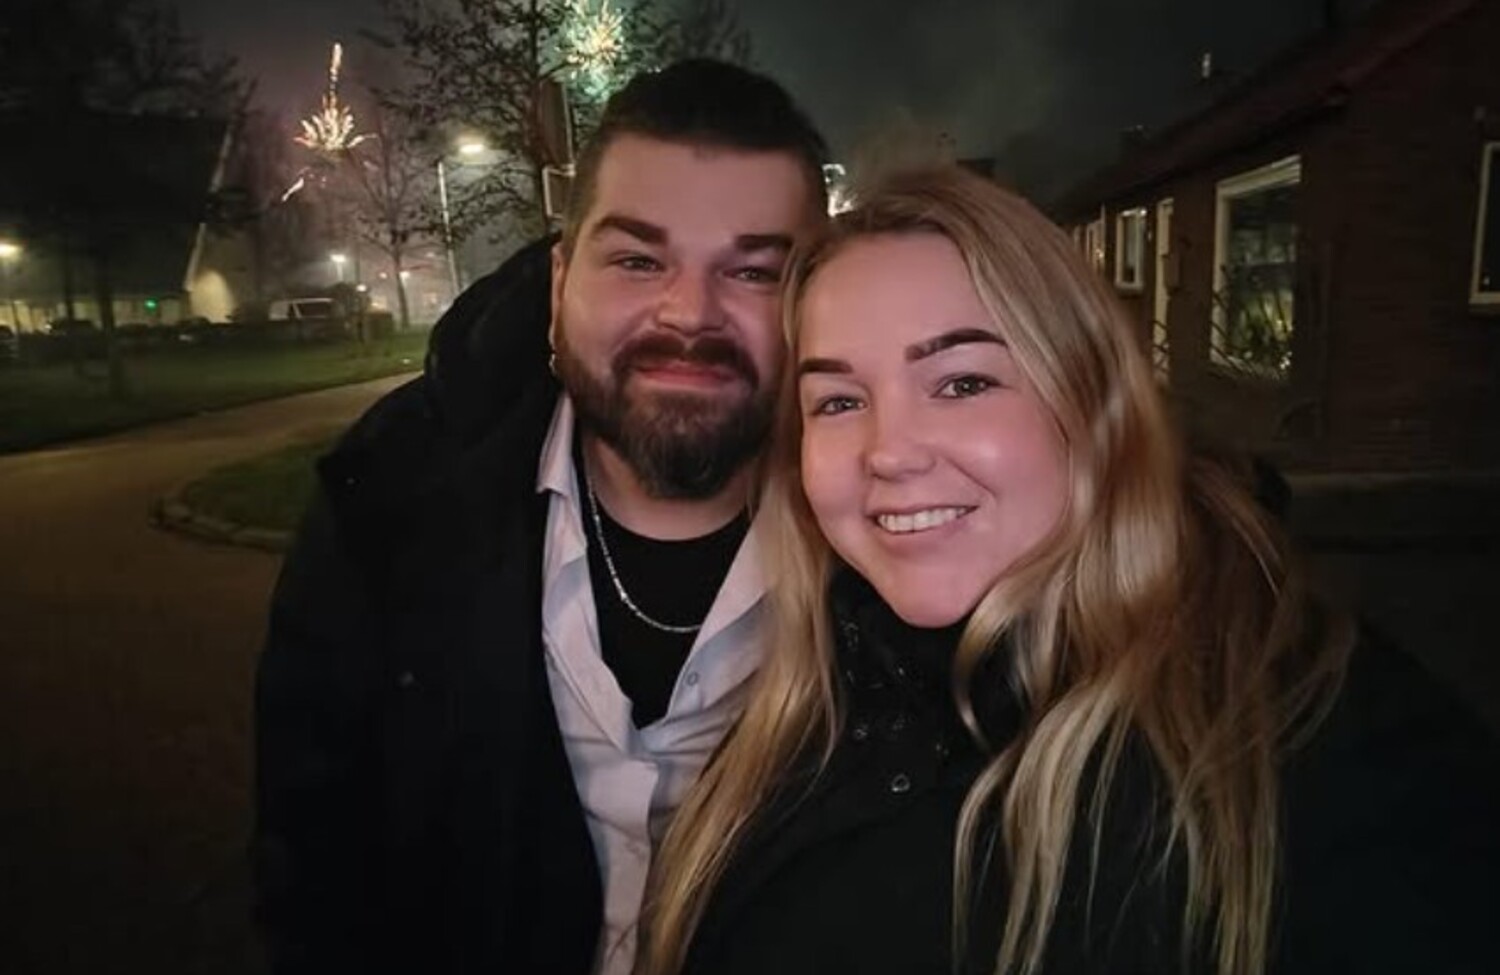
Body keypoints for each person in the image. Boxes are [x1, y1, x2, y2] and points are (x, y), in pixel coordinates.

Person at [641, 167, 1500, 975]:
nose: (888, 452)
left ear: (1090, 405)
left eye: (962, 383)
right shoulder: (816, 693)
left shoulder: (1326, 758)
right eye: (837, 400)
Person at [252, 60, 828, 975]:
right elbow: (314, 876)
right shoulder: (390, 500)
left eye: (755, 271)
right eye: (637, 260)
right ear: (560, 284)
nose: (691, 314)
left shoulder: (893, 543)